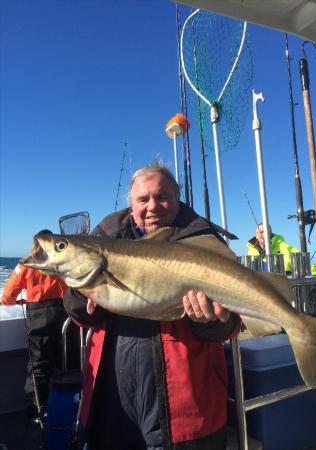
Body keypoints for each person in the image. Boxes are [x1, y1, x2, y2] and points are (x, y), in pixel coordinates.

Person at [64, 162, 241, 450]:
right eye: (143, 199)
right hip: (110, 397)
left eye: (162, 197)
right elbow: (79, 316)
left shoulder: (203, 242)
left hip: (184, 406)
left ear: (177, 198)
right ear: (131, 204)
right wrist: (80, 295)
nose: (153, 207)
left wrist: (209, 321)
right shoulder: (102, 241)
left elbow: (232, 324)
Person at [1, 229, 74, 419]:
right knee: (66, 360)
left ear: (34, 246)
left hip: (38, 314)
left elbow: (8, 295)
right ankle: (68, 407)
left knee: (39, 363)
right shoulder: (63, 262)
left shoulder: (27, 263)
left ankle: (38, 409)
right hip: (65, 313)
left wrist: (10, 302)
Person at [246, 223, 316, 275]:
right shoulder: (251, 251)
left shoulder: (286, 248)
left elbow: (311, 269)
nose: (259, 235)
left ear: (270, 233)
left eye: (262, 232)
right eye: (257, 233)